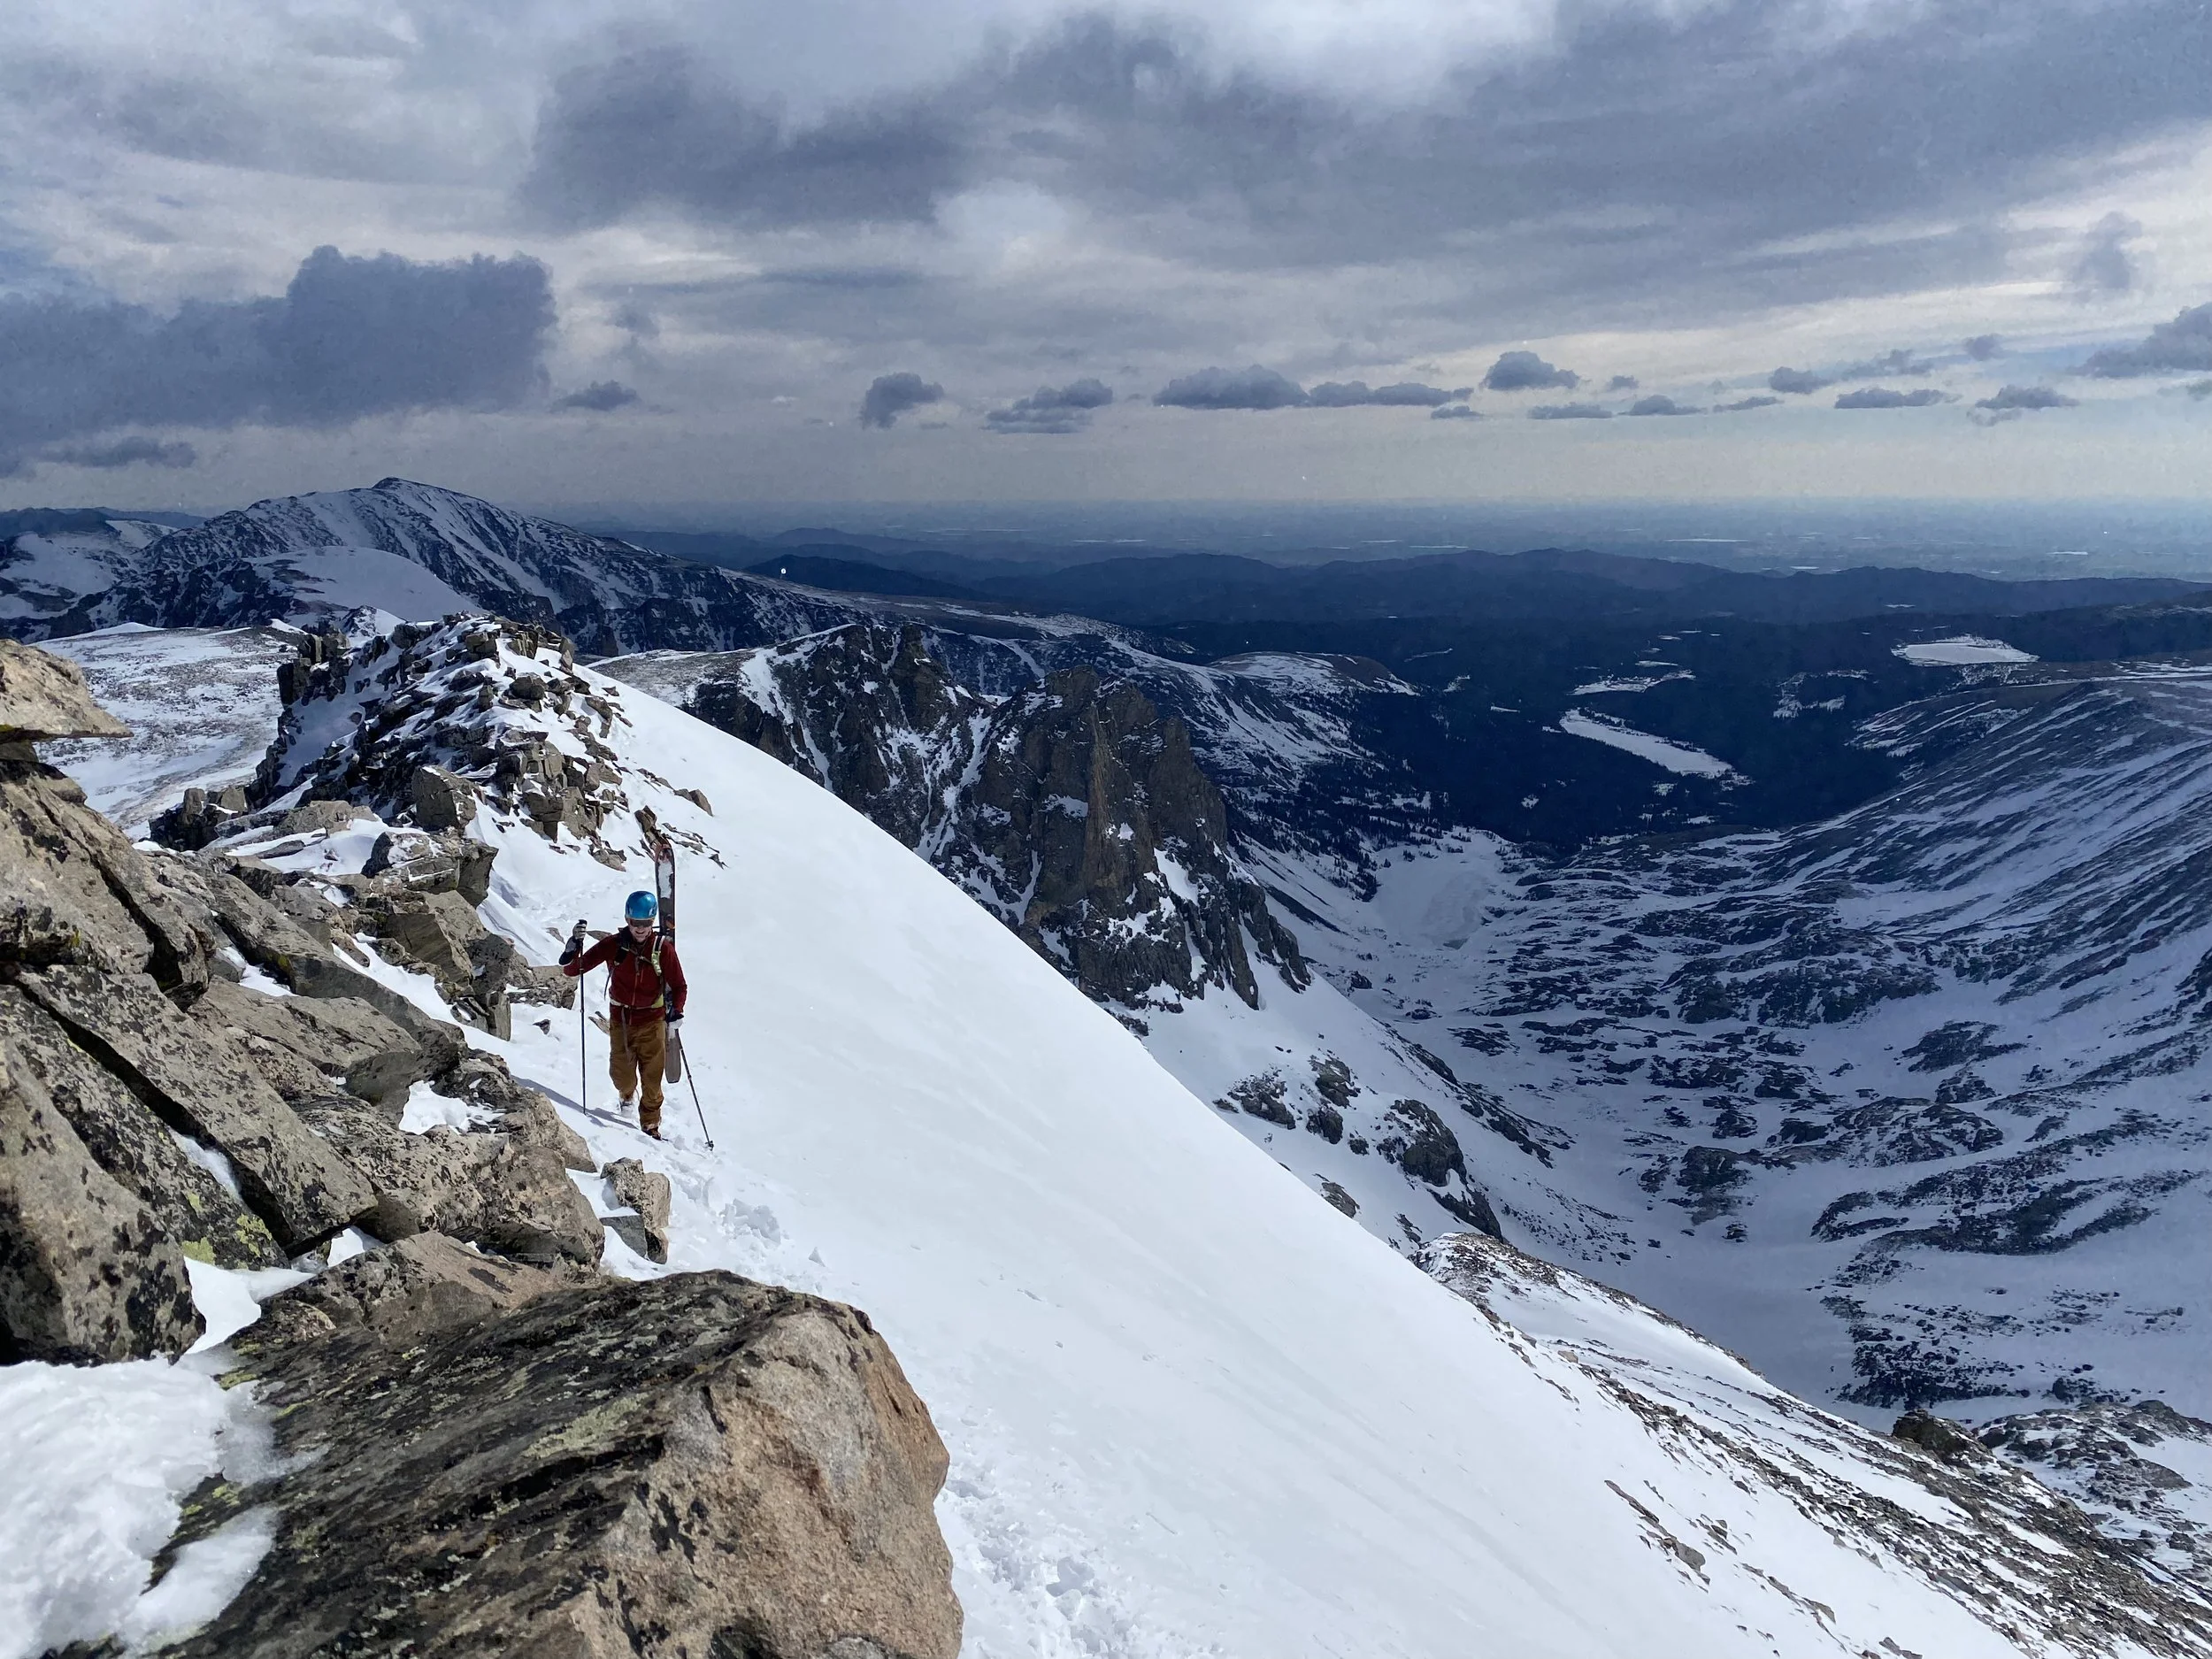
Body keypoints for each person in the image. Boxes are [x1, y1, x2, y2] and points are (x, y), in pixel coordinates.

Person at [561, 889, 687, 1138]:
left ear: (652, 922)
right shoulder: (614, 944)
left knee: (652, 1079)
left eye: (645, 924)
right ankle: (627, 1095)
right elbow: (574, 970)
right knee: (621, 1075)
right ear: (627, 919)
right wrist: (573, 947)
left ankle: (650, 1125)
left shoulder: (663, 949)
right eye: (634, 923)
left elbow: (680, 985)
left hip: (652, 1020)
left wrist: (677, 1011)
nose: (640, 929)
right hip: (621, 1019)